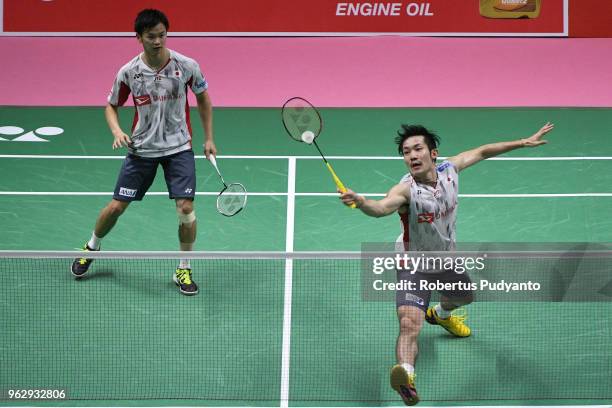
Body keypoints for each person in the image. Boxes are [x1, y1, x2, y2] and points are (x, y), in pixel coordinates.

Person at [339, 122, 554, 405]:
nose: (412, 156)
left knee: (465, 297)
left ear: (433, 153)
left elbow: (483, 151)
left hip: (446, 257)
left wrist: (523, 142)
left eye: (417, 149)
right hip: (412, 263)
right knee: (408, 324)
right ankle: (406, 376)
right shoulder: (405, 191)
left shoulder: (450, 170)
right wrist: (362, 201)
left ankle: (439, 314)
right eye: (406, 152)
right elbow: (381, 208)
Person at [71, 9, 215, 296]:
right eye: (151, 36)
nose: (158, 41)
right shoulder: (129, 72)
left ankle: (183, 268)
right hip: (142, 149)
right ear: (138, 38)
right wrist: (116, 131)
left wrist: (209, 137)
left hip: (179, 148)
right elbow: (111, 105)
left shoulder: (186, 65)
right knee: (115, 207)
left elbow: (203, 97)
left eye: (162, 35)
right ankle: (92, 246)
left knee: (186, 209)